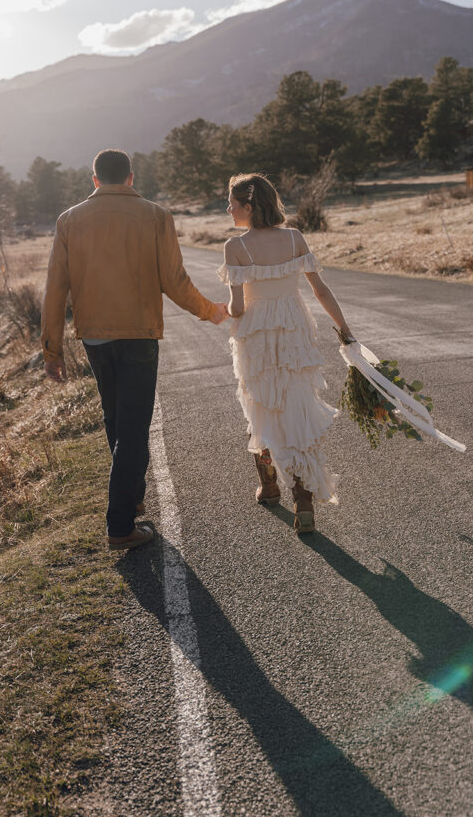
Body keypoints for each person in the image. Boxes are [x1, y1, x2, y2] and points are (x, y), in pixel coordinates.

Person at [41, 149, 228, 551]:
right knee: (133, 425)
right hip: (139, 334)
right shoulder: (155, 215)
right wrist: (209, 311)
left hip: (94, 336)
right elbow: (174, 280)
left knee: (116, 418)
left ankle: (132, 496)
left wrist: (51, 350)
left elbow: (56, 288)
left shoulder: (69, 220)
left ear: (95, 180)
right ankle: (120, 525)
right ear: (130, 178)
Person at [218, 173, 354, 534]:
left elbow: (237, 307)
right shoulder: (294, 238)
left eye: (231, 203)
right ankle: (303, 499)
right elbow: (320, 291)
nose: (228, 209)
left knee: (261, 405)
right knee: (295, 408)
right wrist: (344, 329)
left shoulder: (236, 247)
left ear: (248, 207)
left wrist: (217, 310)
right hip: (295, 331)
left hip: (256, 337)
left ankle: (269, 485)